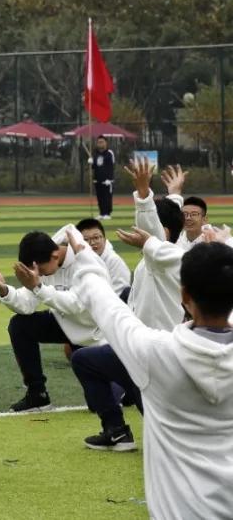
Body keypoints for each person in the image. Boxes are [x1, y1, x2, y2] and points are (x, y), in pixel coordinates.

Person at [70, 237, 233, 518]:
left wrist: (85, 258)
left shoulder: (155, 353)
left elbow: (106, 304)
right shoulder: (156, 350)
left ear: (184, 297)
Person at [68, 157, 186, 452]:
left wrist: (144, 193)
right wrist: (173, 194)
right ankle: (117, 430)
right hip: (136, 348)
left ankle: (171, 439)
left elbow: (156, 233)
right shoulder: (166, 255)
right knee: (85, 360)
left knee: (164, 425)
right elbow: (168, 225)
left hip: (155, 355)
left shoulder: (161, 259)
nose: (137, 229)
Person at [0, 226, 110, 413]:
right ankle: (38, 395)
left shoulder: (85, 260)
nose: (42, 276)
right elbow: (26, 304)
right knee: (19, 325)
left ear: (55, 256)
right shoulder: (46, 258)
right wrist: (4, 289)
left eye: (43, 272)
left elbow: (79, 305)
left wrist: (38, 287)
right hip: (64, 323)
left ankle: (121, 385)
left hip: (94, 333)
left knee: (101, 405)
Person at [75, 218, 132, 296]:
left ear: (104, 239)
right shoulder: (76, 260)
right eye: (86, 240)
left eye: (96, 238)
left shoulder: (114, 261)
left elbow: (119, 293)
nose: (92, 243)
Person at [90, 135, 115, 219]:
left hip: (107, 180)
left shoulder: (109, 153)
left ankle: (107, 213)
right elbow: (94, 167)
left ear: (106, 143)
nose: (100, 144)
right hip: (97, 179)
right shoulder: (96, 154)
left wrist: (110, 179)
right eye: (98, 142)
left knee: (107, 197)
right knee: (99, 197)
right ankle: (101, 213)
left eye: (102, 142)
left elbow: (111, 167)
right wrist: (91, 162)